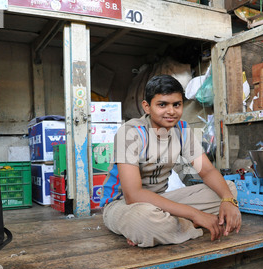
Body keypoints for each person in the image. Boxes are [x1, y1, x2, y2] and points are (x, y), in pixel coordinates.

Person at [99, 74, 241, 247]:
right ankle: (186, 225)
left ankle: (159, 230)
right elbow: (133, 195)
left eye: (177, 104)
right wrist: (195, 214)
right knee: (144, 219)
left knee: (229, 189)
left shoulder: (182, 129)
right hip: (123, 205)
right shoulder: (130, 132)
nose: (171, 111)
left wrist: (228, 200)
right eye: (162, 105)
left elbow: (208, 171)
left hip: (162, 200)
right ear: (147, 107)